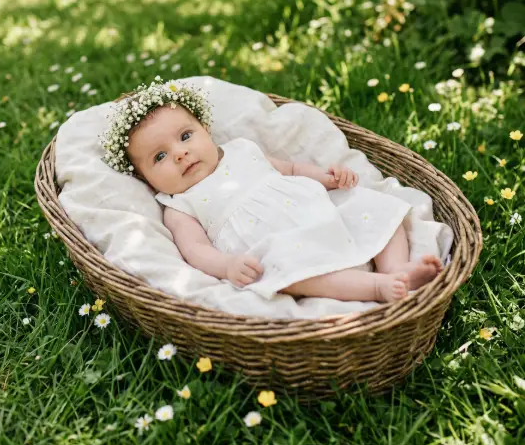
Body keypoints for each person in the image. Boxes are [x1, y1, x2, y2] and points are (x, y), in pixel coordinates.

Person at [101, 77, 444, 304]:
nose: (179, 152)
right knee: (289, 274)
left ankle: (395, 269)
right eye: (160, 156)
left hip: (320, 213)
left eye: (186, 136)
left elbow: (291, 169)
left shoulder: (240, 149)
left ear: (205, 130)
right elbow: (195, 250)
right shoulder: (178, 204)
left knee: (377, 209)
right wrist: (228, 266)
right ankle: (376, 289)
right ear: (147, 179)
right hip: (278, 246)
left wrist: (327, 176)